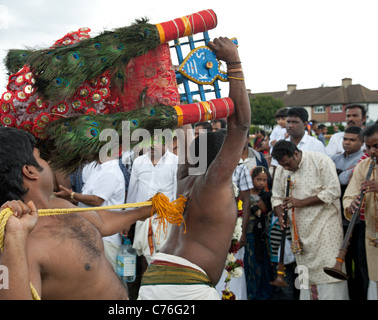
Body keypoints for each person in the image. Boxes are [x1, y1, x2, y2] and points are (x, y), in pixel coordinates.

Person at [0, 126, 153, 299]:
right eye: (40, 157)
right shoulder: (20, 243)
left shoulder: (58, 204)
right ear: (30, 171)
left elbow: (102, 223)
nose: (47, 163)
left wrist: (144, 211)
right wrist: (15, 238)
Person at [137, 36, 251, 300]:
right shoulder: (214, 183)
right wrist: (234, 62)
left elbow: (183, 125)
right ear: (223, 161)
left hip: (154, 276)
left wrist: (173, 86)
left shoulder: (184, 176)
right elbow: (240, 125)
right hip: (186, 287)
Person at [271, 140, 349, 300]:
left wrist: (301, 202)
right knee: (304, 275)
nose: (286, 168)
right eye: (282, 165)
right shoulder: (281, 169)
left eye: (287, 163)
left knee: (328, 273)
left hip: (325, 228)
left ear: (296, 153)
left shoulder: (320, 160)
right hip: (298, 231)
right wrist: (279, 213)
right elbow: (276, 197)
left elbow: (333, 190)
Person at [55, 155, 126, 273]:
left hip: (107, 237)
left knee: (109, 276)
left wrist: (72, 195)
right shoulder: (97, 169)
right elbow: (84, 200)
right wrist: (65, 198)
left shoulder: (111, 172)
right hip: (92, 232)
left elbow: (97, 200)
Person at [127, 139, 178, 265]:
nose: (152, 145)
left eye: (156, 141)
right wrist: (127, 219)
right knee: (144, 260)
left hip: (164, 222)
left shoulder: (175, 162)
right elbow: (132, 192)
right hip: (142, 219)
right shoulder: (139, 162)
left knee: (163, 260)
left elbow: (177, 195)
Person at [331, 125, 367, 300]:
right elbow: (334, 180)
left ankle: (358, 294)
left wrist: (340, 175)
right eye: (345, 139)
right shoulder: (335, 158)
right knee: (341, 260)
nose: (347, 143)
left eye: (352, 140)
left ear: (361, 142)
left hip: (357, 220)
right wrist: (342, 174)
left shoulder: (364, 160)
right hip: (337, 217)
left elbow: (344, 179)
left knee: (358, 263)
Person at [343, 123, 378, 300]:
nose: (372, 151)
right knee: (370, 279)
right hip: (370, 233)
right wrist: (351, 206)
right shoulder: (364, 166)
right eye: (368, 146)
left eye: (376, 146)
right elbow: (349, 195)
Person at [244, 166, 274, 300]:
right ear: (251, 179)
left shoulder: (266, 195)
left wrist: (255, 204)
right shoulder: (243, 193)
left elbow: (264, 210)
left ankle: (263, 294)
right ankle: (252, 293)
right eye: (258, 179)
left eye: (264, 180)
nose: (262, 183)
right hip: (248, 234)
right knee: (250, 265)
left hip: (261, 235)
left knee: (262, 266)